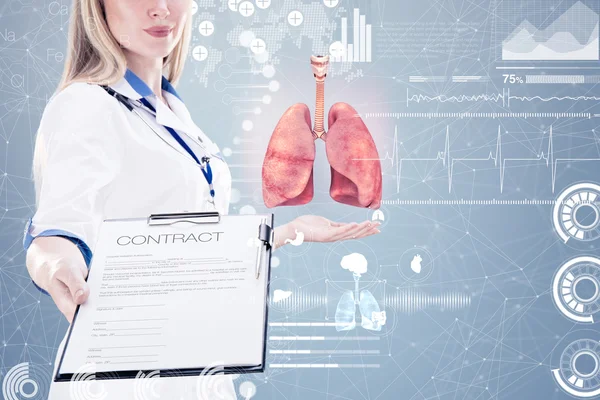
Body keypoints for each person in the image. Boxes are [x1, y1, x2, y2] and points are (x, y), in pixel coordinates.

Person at [23, 0, 381, 398]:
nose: (160, 9)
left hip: (198, 366)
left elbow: (190, 249)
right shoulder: (86, 104)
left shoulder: (174, 111)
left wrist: (286, 233)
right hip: (122, 376)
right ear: (98, 7)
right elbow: (57, 230)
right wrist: (57, 264)